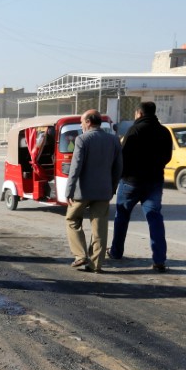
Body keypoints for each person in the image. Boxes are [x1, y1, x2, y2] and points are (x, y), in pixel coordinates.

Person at [108, 101, 173, 272]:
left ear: (139, 113)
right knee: (155, 218)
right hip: (154, 182)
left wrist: (122, 175)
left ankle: (116, 252)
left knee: (121, 217)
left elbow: (123, 157)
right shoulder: (164, 132)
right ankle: (159, 259)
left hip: (131, 182)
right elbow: (167, 157)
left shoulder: (134, 130)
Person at [65, 109, 123, 273]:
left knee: (72, 219)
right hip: (104, 191)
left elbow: (75, 167)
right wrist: (112, 188)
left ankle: (80, 255)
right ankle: (96, 264)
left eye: (82, 121)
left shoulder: (82, 139)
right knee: (100, 227)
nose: (81, 124)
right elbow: (118, 168)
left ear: (89, 122)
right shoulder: (113, 140)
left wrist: (69, 191)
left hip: (82, 192)